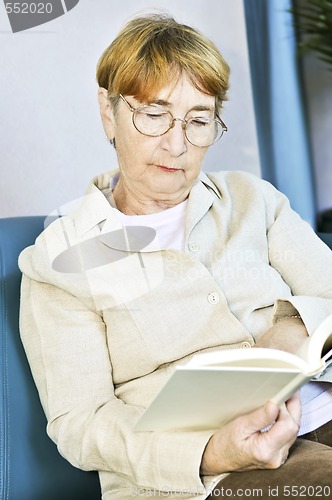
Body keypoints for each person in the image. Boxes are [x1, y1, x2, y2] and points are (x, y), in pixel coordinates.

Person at [18, 13, 332, 500]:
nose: (177, 143)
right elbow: (81, 423)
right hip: (208, 478)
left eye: (199, 120)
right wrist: (211, 452)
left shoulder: (252, 200)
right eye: (154, 113)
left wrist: (292, 326)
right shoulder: (57, 263)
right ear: (109, 111)